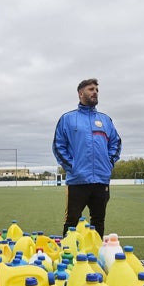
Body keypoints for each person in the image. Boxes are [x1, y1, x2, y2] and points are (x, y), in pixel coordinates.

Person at [52, 78, 121, 238]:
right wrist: (73, 166)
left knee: (98, 220)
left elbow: (116, 143)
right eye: (91, 89)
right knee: (72, 221)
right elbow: (58, 146)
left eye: (97, 90)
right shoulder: (67, 119)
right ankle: (68, 256)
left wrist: (108, 163)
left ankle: (95, 256)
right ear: (80, 93)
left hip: (101, 180)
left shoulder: (105, 120)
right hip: (77, 180)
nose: (95, 92)